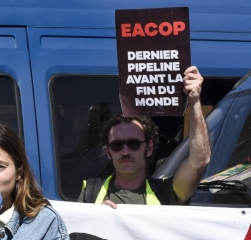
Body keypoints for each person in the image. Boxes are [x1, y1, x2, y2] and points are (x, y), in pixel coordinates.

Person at [78, 66, 211, 207]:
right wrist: (95, 217)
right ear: (108, 152)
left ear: (149, 148)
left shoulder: (165, 191)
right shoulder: (91, 192)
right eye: (117, 145)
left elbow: (200, 160)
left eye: (133, 143)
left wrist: (194, 101)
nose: (125, 151)